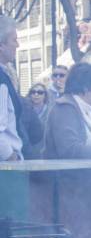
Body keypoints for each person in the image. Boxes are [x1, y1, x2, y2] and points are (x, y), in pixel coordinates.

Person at [0, 16, 25, 161]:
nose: (18, 45)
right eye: (14, 40)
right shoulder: (1, 79)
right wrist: (11, 156)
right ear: (1, 45)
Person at [23, 83, 51, 158]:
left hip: (45, 150)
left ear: (45, 95)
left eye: (40, 92)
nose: (36, 94)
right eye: (33, 92)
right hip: (28, 150)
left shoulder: (51, 111)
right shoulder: (24, 110)